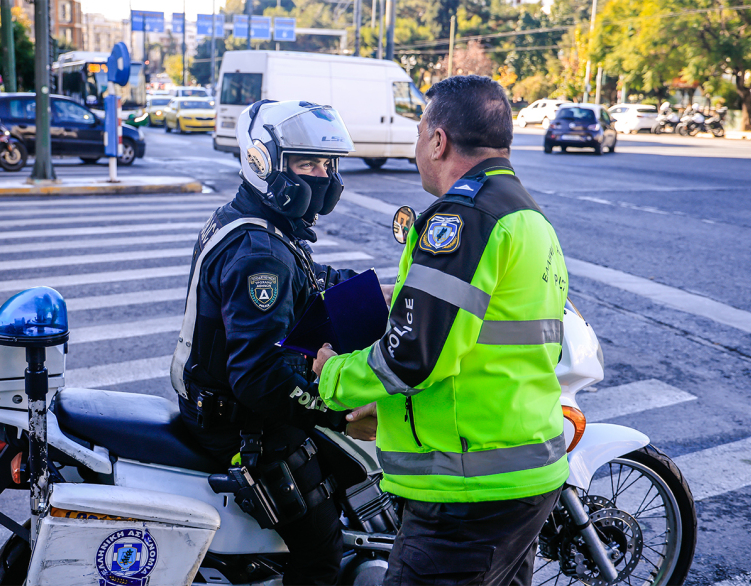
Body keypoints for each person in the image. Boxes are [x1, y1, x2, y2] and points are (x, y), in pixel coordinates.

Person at [312, 75, 570, 585]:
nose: (416, 149)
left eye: (418, 134)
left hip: (466, 494)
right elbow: (482, 333)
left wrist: (331, 375)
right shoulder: (525, 213)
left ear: (438, 139)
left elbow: (413, 356)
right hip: (521, 473)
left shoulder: (463, 215)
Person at [170, 100, 374, 585]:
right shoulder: (258, 252)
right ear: (263, 162)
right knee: (321, 549)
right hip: (241, 425)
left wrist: (377, 297)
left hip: (217, 404)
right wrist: (341, 414)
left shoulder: (254, 221)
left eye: (327, 164)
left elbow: (308, 280)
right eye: (307, 164)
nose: (322, 175)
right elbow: (260, 377)